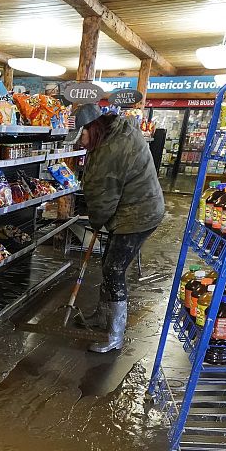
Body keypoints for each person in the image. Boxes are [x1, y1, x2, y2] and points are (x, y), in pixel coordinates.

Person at [73, 104, 166, 353]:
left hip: (138, 214)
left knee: (113, 269)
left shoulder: (112, 149)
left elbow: (103, 196)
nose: (79, 142)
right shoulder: (114, 134)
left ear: (92, 128)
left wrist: (95, 221)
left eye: (80, 136)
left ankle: (114, 335)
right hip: (133, 208)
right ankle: (103, 315)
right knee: (108, 263)